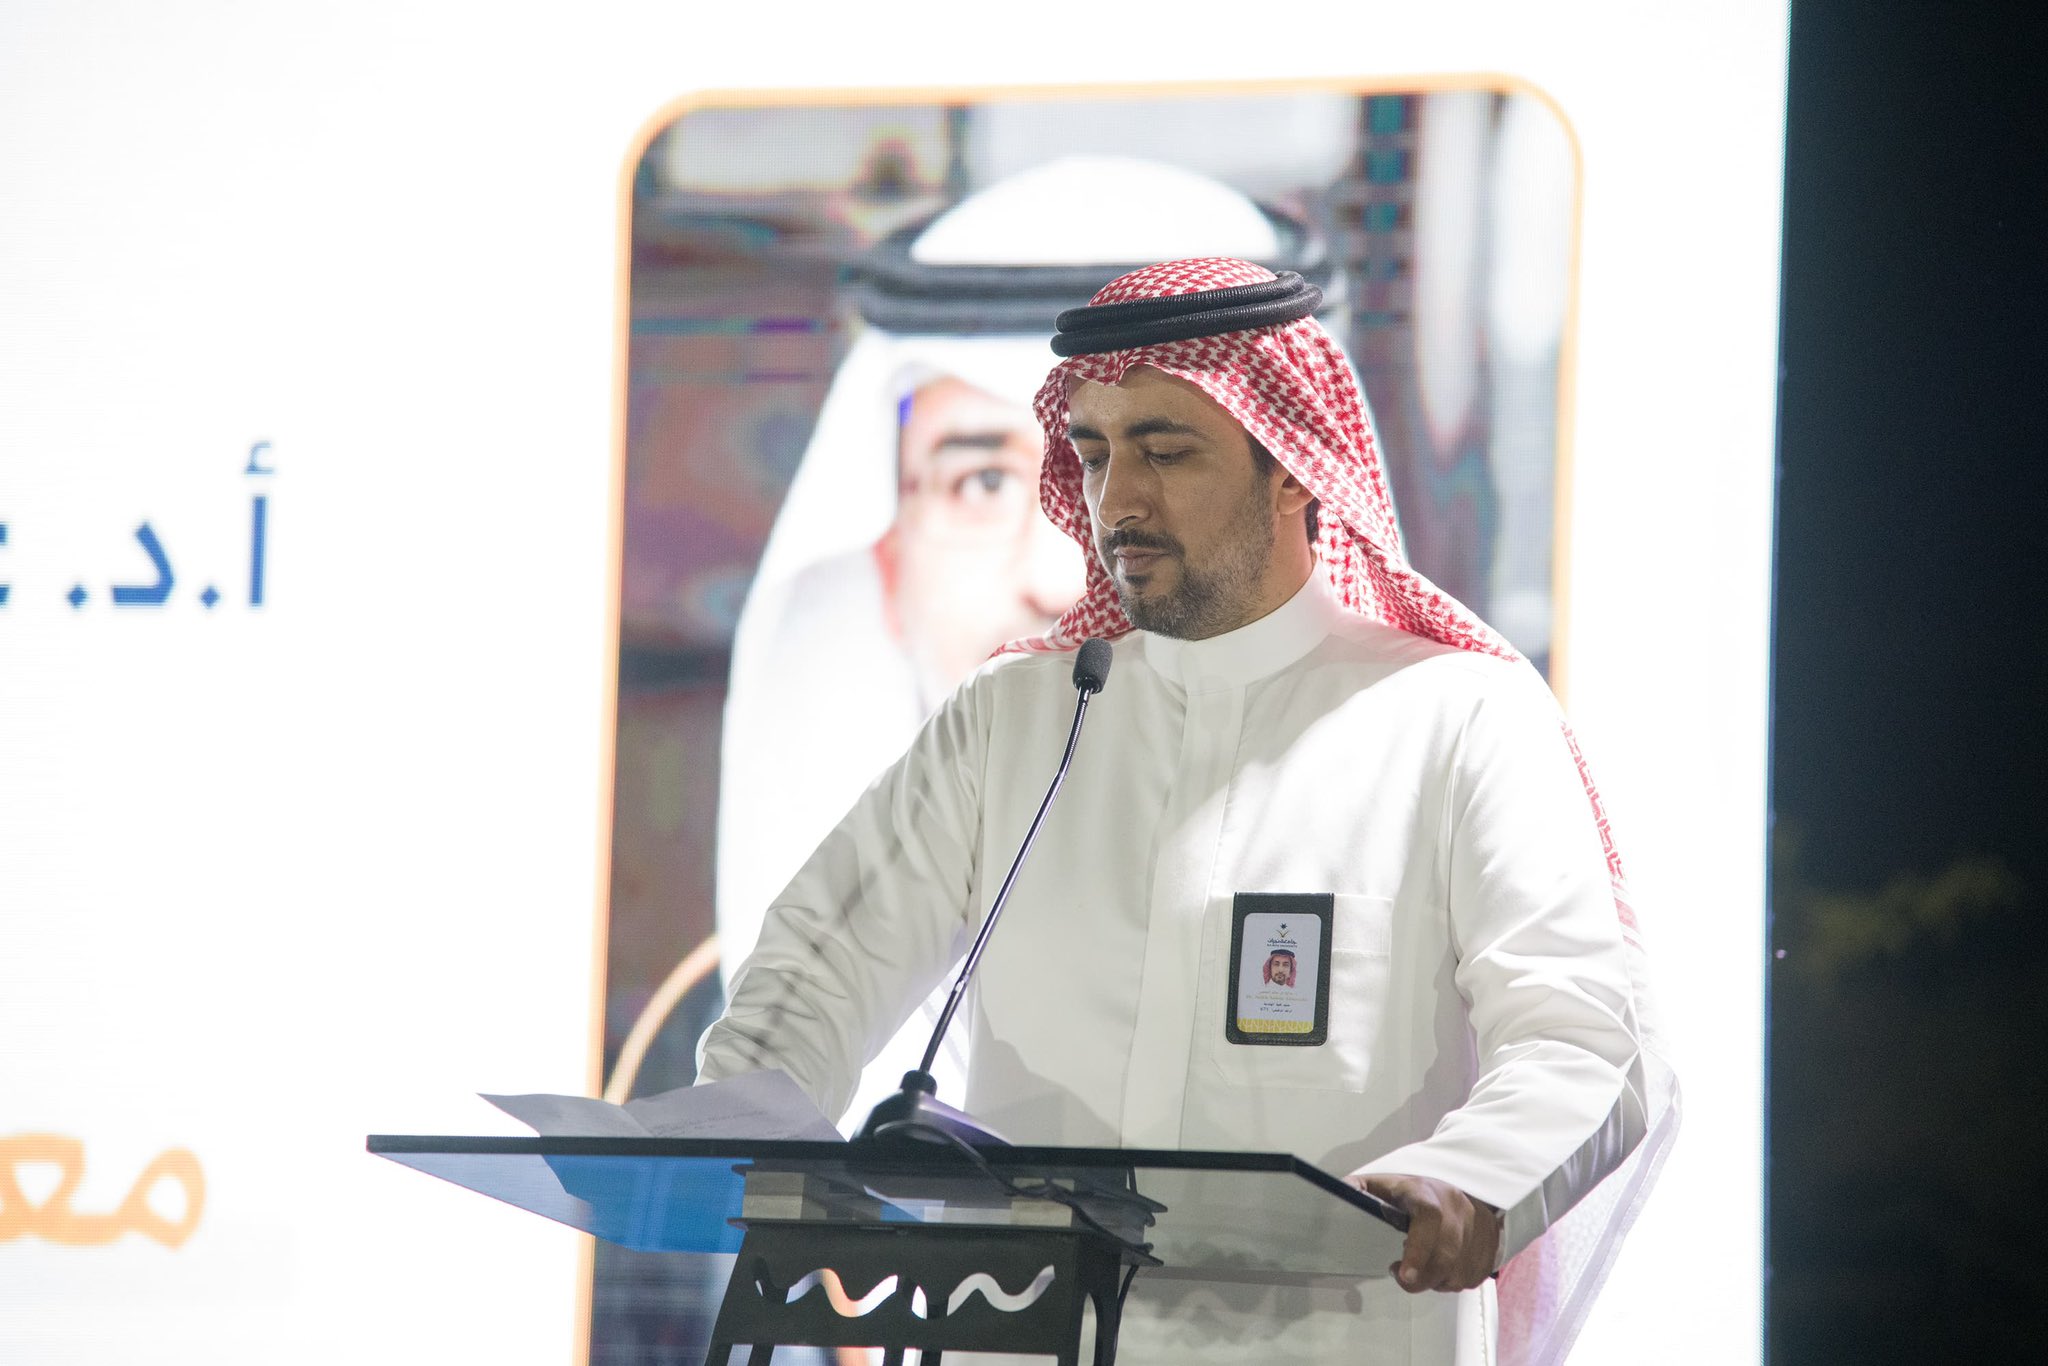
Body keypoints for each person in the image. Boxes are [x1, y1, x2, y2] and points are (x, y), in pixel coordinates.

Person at [699, 256, 1676, 1365]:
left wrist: (1471, 1178)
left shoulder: (1455, 719)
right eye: (1095, 455)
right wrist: (735, 1131)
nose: (1118, 501)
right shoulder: (1017, 719)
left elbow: (1582, 1037)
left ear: (1293, 466)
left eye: (1166, 451)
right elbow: (818, 968)